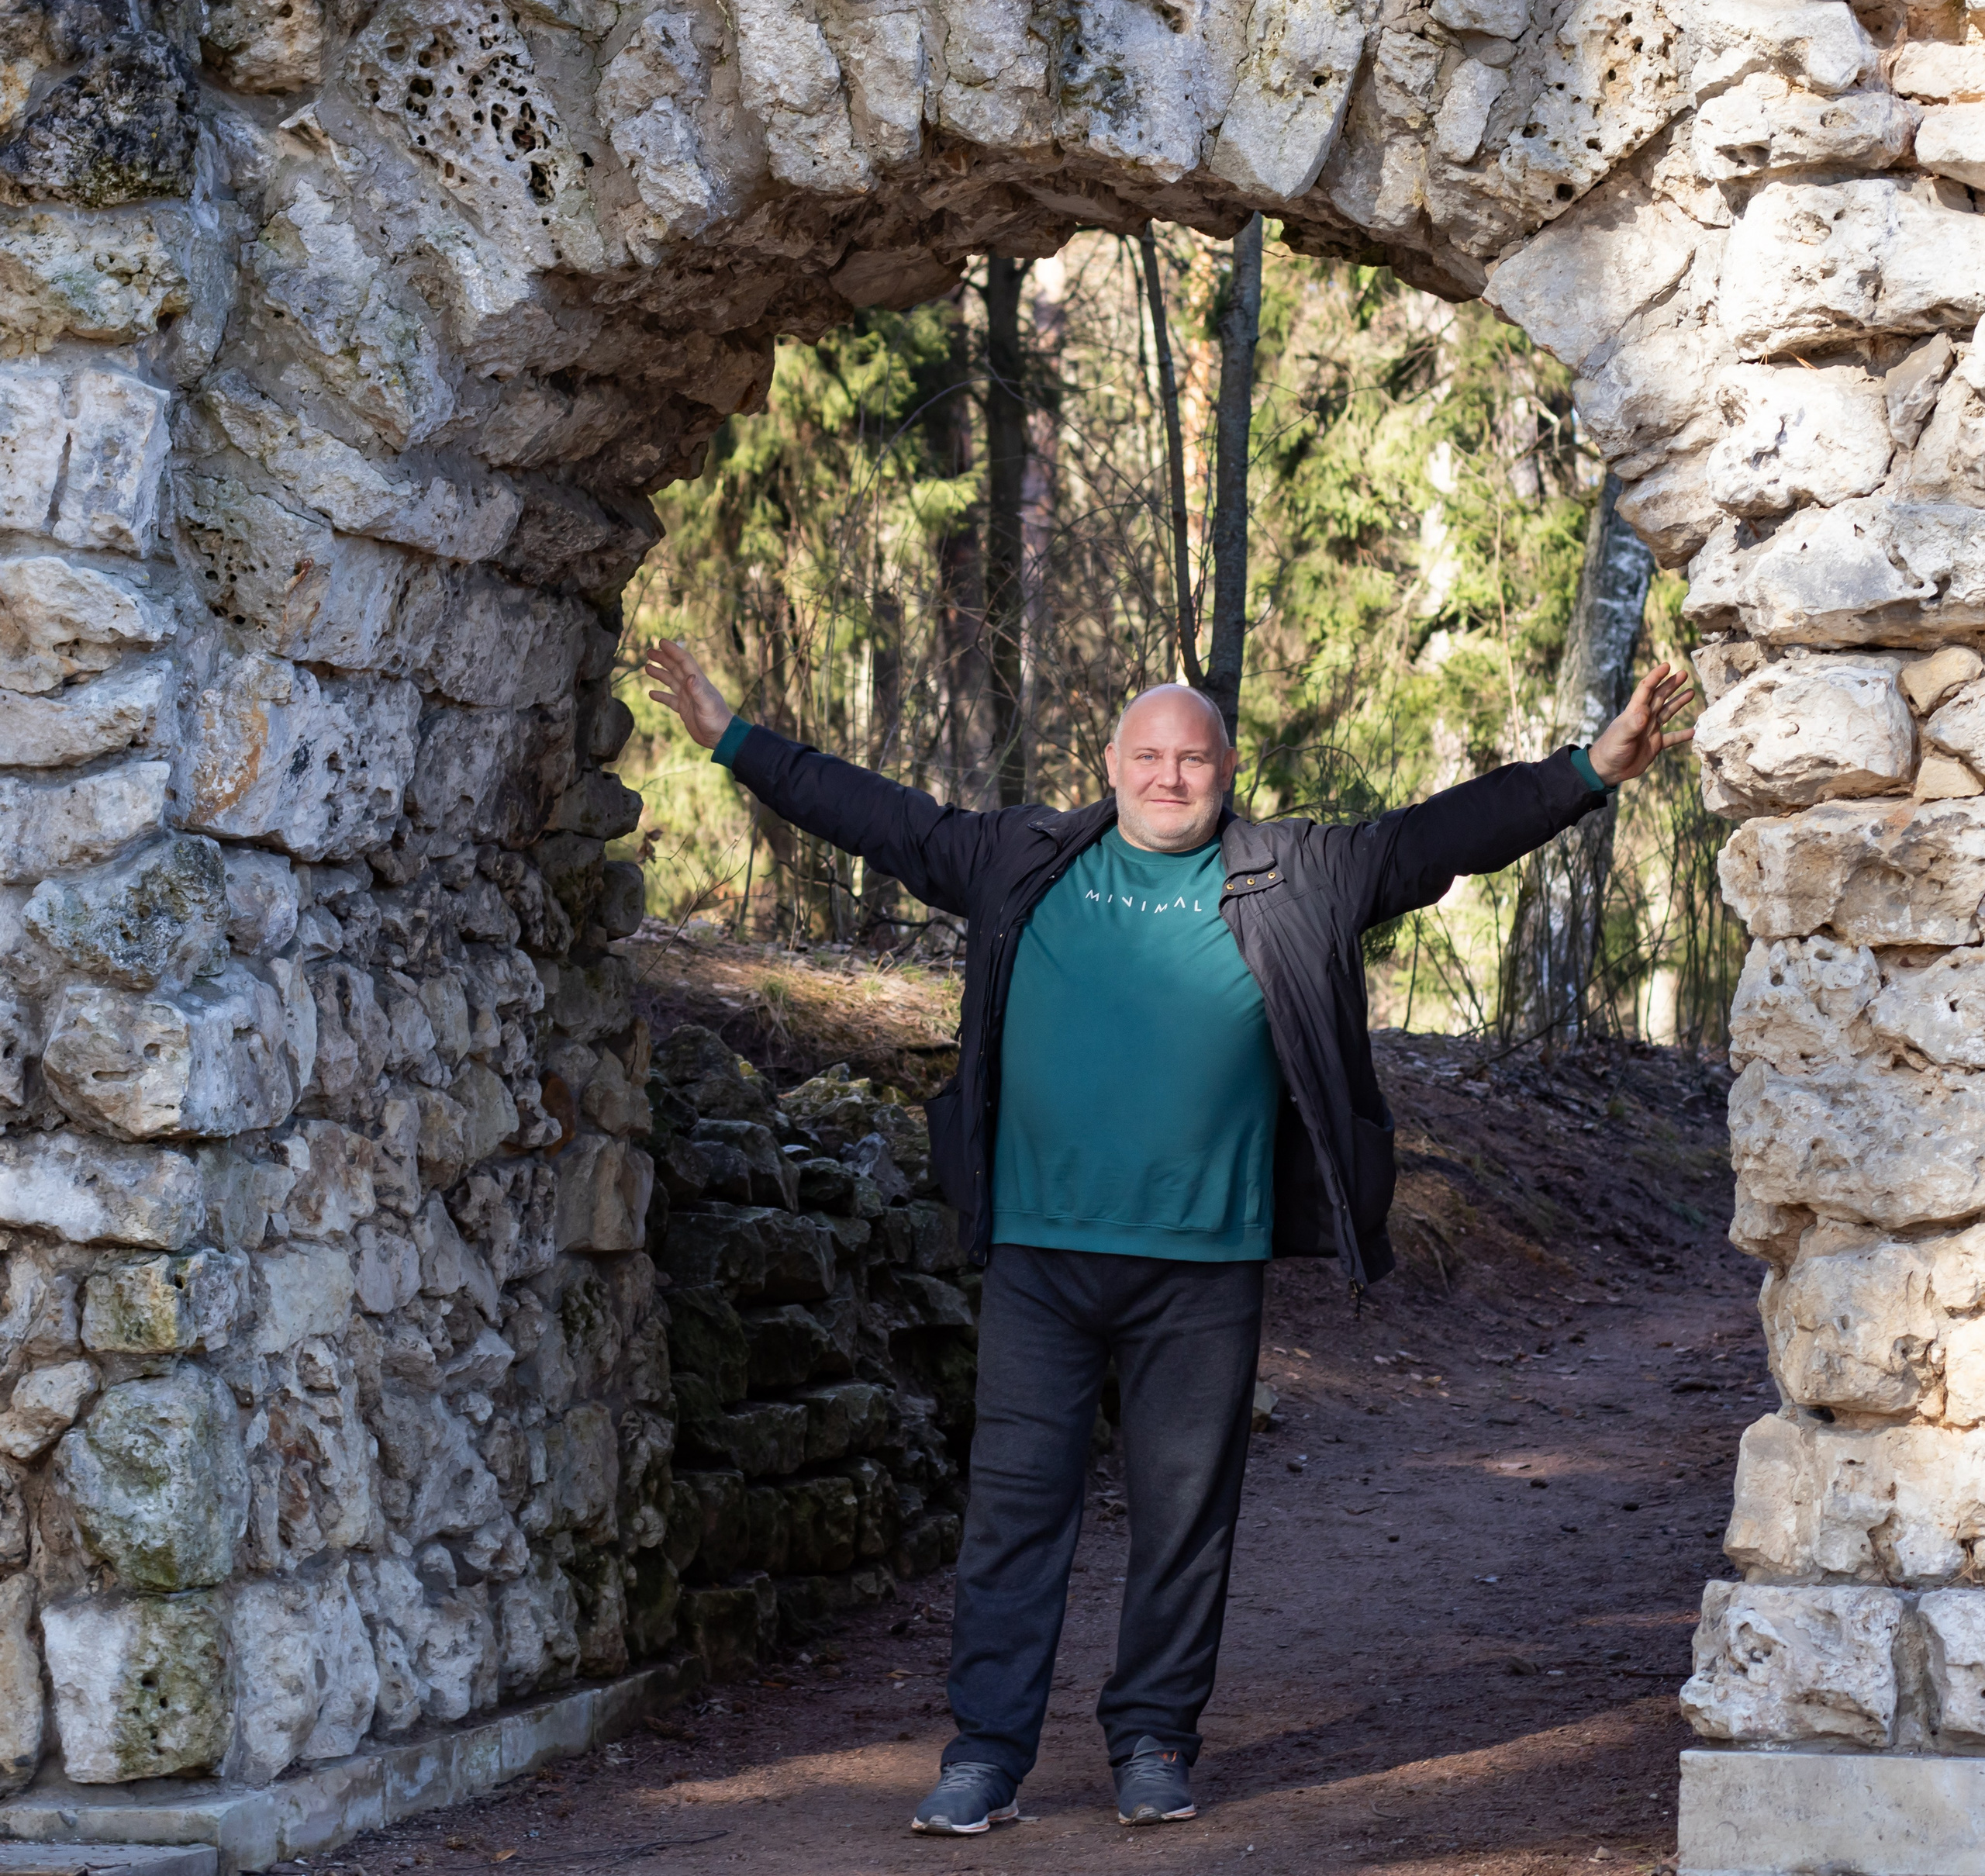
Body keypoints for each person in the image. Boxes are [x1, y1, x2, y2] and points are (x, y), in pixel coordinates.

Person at [644, 641, 1694, 1834]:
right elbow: (876, 816)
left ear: (1226, 772)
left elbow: (1437, 837)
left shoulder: (1293, 874)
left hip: (1202, 1266)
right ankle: (987, 1753)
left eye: (1194, 757)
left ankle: (1153, 1740)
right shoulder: (1022, 861)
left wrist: (1589, 769)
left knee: (1184, 1518)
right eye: (1149, 755)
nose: (1170, 775)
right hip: (1042, 1257)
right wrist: (735, 739)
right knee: (1012, 1512)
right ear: (1111, 764)